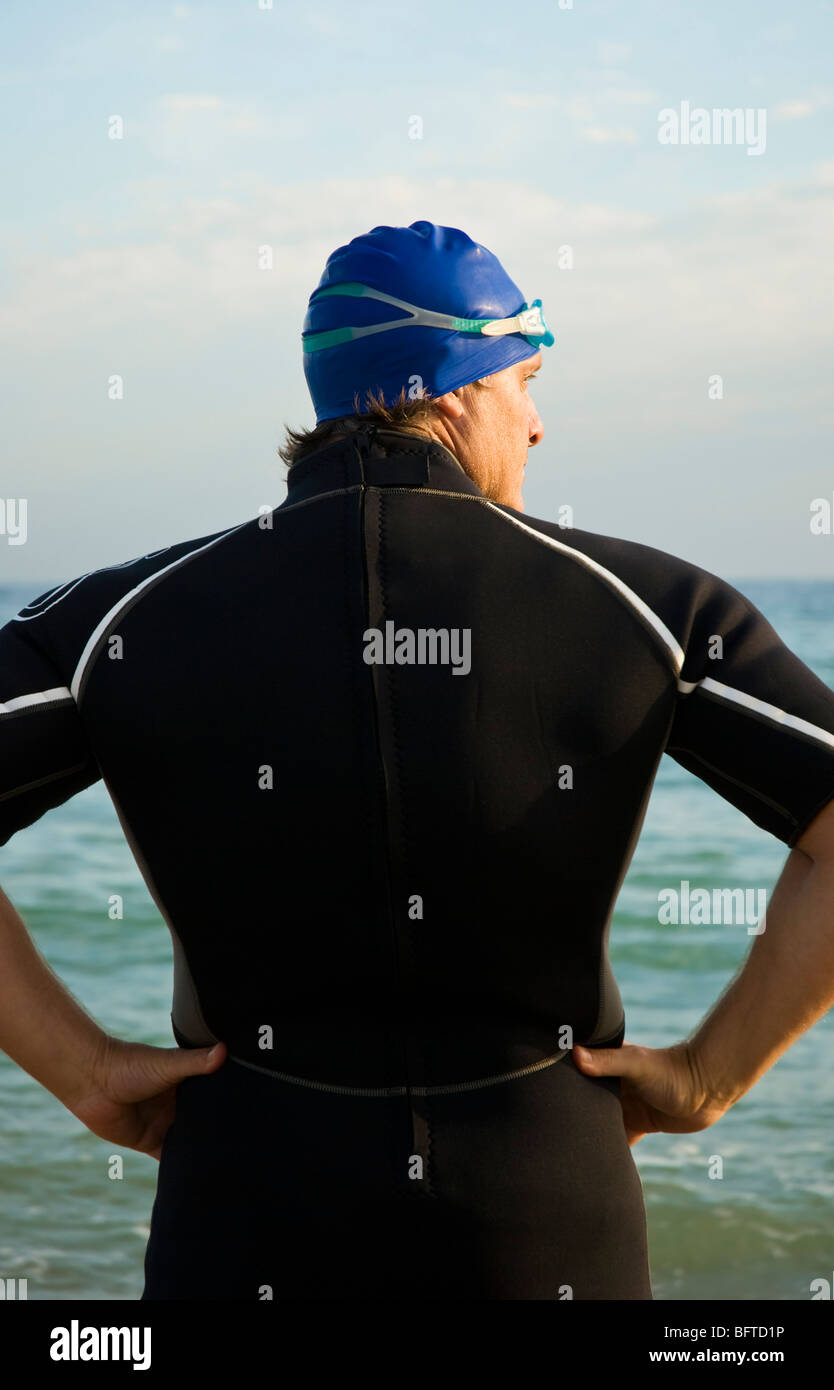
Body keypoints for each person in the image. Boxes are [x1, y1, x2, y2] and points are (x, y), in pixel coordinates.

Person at [2, 219, 834, 1301]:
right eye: (523, 381)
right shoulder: (648, 609)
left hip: (245, 1204)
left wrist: (85, 1072)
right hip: (546, 1209)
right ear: (450, 387)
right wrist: (705, 1077)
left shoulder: (125, 619)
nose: (537, 425)